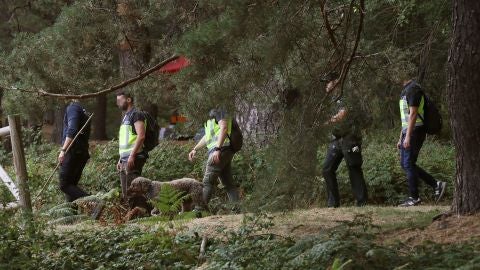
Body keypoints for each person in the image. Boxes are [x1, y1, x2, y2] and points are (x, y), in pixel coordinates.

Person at [322, 73, 368, 207]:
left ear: (336, 82)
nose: (326, 85)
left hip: (350, 138)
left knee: (354, 168)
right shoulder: (332, 99)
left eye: (328, 81)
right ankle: (333, 203)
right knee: (327, 169)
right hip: (337, 139)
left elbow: (342, 114)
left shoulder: (346, 94)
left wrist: (325, 123)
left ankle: (362, 202)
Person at [397, 80, 446, 207]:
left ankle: (414, 197)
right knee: (405, 164)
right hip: (407, 132)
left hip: (415, 132)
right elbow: (405, 118)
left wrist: (407, 136)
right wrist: (401, 137)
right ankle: (436, 184)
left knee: (408, 164)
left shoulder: (413, 89)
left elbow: (413, 114)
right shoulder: (405, 90)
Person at [188, 109, 240, 213]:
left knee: (207, 182)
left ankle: (198, 211)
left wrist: (217, 149)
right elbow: (207, 136)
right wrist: (195, 149)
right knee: (228, 183)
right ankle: (237, 210)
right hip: (223, 150)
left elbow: (224, 128)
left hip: (220, 150)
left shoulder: (219, 108)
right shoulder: (210, 115)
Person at [116, 92, 148, 203]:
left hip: (134, 158)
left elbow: (141, 136)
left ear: (128, 100)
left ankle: (142, 214)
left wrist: (132, 155)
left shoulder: (136, 114)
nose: (118, 103)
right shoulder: (126, 117)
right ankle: (132, 216)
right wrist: (120, 159)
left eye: (120, 100)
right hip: (124, 160)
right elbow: (125, 140)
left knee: (134, 192)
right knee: (126, 193)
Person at [58, 99, 91, 202]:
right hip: (81, 152)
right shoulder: (83, 110)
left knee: (64, 185)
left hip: (73, 151)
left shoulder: (73, 108)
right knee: (71, 186)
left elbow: (72, 130)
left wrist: (63, 150)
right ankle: (72, 216)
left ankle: (94, 202)